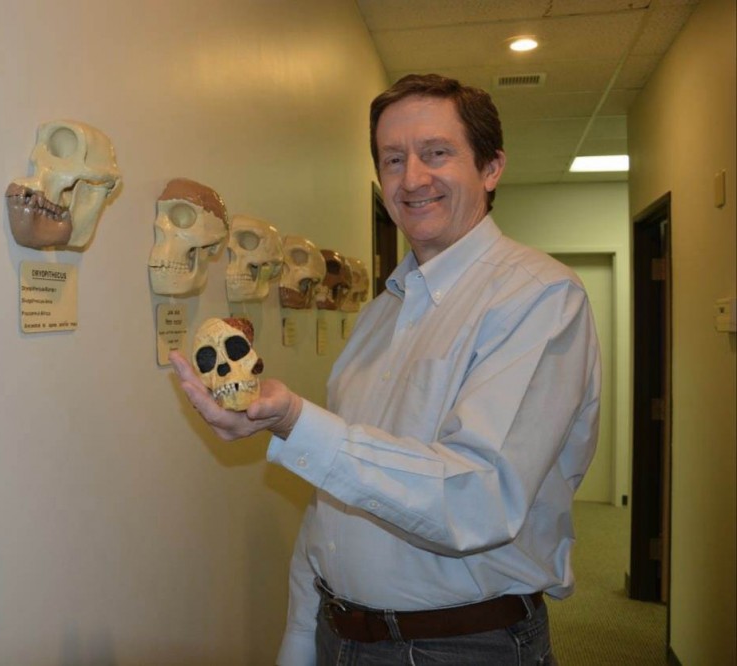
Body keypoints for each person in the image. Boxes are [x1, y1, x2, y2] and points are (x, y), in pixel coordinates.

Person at [170, 73, 600, 666]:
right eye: (393, 159)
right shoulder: (379, 315)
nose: (412, 178)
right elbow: (336, 505)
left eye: (437, 153)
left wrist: (296, 420)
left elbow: (479, 497)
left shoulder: (540, 299)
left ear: (492, 167)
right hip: (340, 635)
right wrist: (300, 636)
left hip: (463, 646)